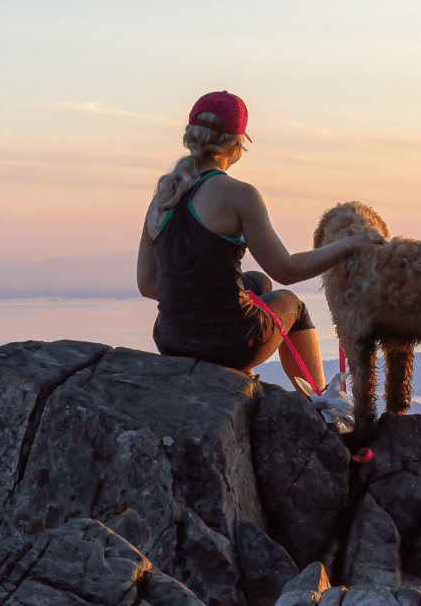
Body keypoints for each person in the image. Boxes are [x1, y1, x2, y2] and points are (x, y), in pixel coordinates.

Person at [136, 91, 382, 392]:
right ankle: (322, 406)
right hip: (229, 345)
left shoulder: (163, 194)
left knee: (258, 283)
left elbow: (147, 283)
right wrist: (349, 245)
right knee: (294, 306)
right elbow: (287, 270)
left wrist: (195, 302)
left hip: (172, 341)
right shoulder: (239, 194)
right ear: (236, 144)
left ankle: (240, 382)